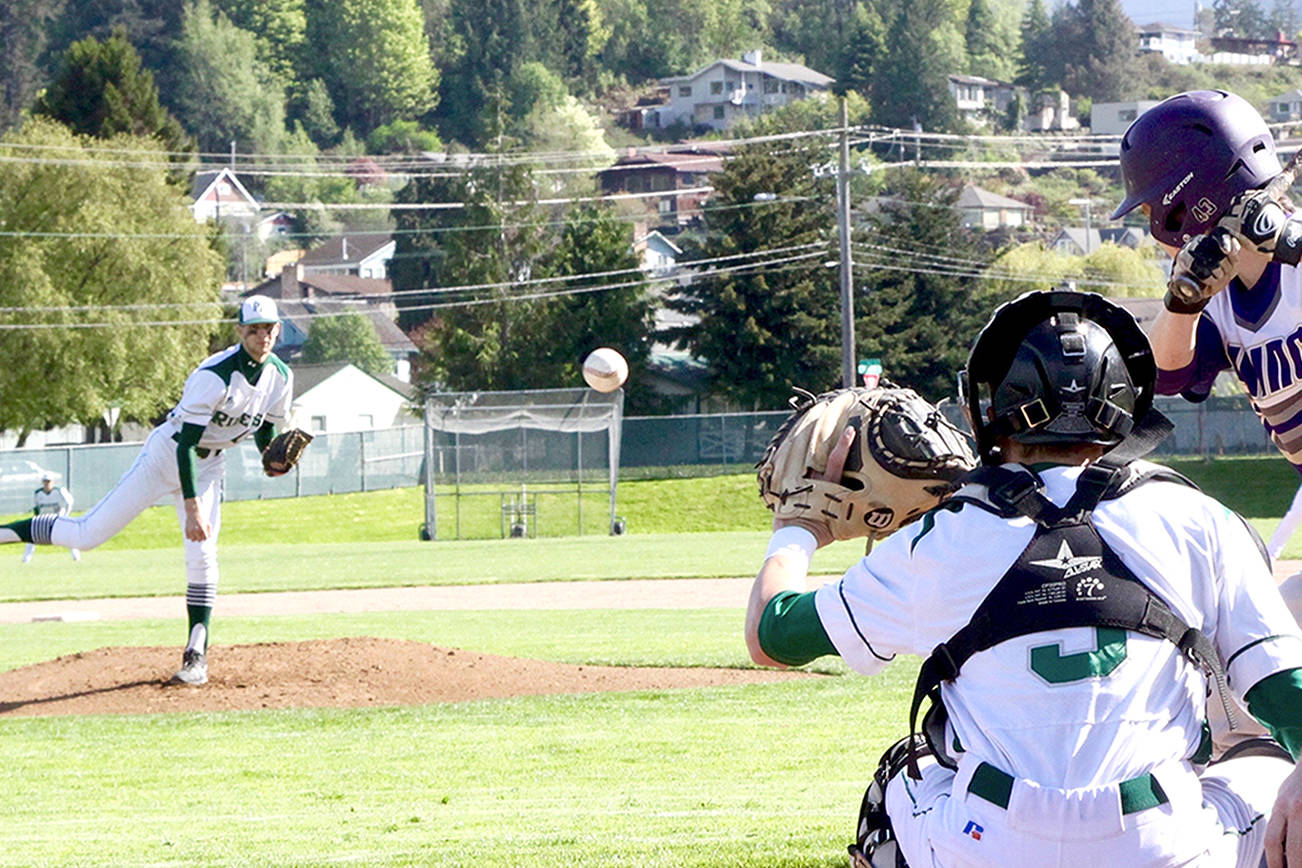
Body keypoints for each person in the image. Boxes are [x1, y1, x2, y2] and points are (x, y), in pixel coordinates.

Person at [745, 289, 1302, 868]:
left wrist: (798, 525)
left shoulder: (944, 537)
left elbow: (772, 635)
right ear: (1125, 404)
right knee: (1267, 763)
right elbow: (1282, 694)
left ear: (989, 407)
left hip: (989, 843)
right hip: (1161, 844)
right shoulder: (1199, 518)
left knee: (899, 779)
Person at [0, 295, 294, 685]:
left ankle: (196, 655)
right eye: (253, 329)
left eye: (269, 328)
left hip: (210, 465)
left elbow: (266, 428)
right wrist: (192, 507)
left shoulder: (280, 377)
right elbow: (187, 443)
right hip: (167, 455)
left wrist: (270, 457)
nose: (262, 336)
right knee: (87, 535)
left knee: (204, 557)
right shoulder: (215, 374)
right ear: (240, 331)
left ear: (278, 330)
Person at [1111, 90, 1302, 578]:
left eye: (1152, 205)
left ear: (1185, 203)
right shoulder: (1215, 289)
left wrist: (1292, 245)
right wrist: (1185, 302)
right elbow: (1169, 376)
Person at [22, 473, 79, 563]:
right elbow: (35, 507)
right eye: (45, 482)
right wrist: (37, 517)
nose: (47, 484)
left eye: (49, 481)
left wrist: (65, 515)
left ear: (53, 482)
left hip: (57, 519)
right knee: (32, 536)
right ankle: (26, 559)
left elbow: (69, 502)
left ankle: (76, 557)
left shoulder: (59, 491)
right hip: (43, 519)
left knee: (68, 536)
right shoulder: (38, 493)